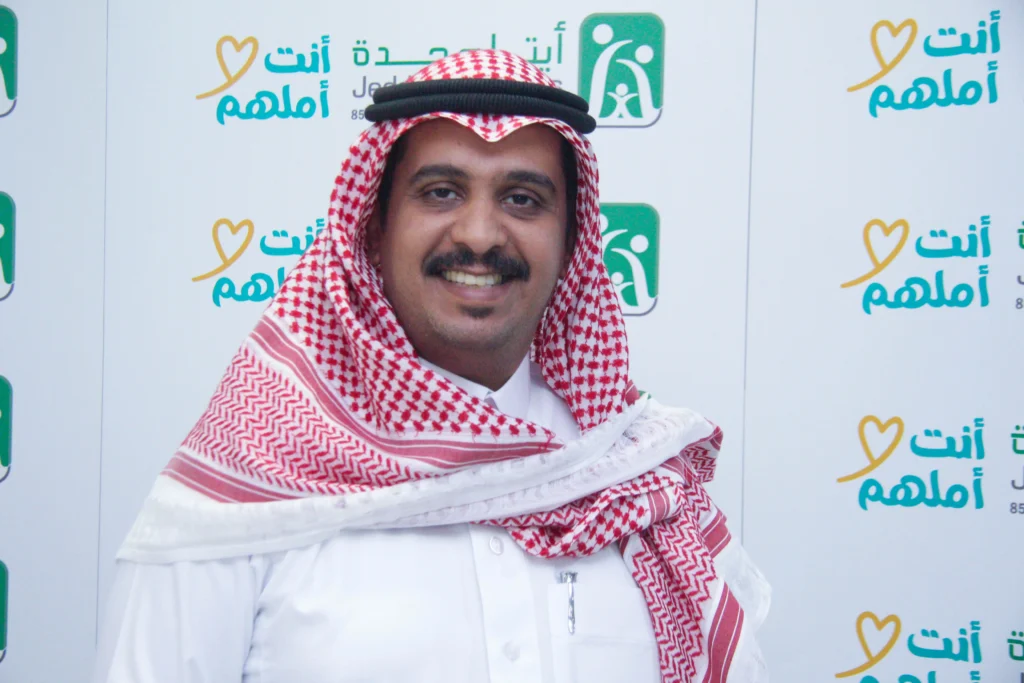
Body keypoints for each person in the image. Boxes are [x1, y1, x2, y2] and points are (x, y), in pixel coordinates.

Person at [93, 50, 770, 683]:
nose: (478, 235)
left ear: (572, 244)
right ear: (374, 228)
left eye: (523, 198)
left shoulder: (637, 485)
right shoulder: (244, 487)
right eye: (441, 192)